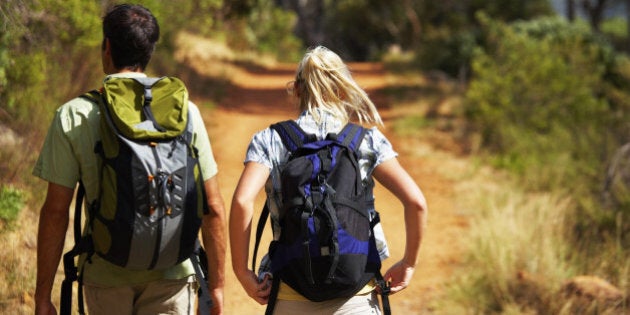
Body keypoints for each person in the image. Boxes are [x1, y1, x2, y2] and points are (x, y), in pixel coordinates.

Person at [32, 4, 226, 315]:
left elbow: (56, 211)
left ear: (106, 47)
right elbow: (213, 208)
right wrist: (216, 286)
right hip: (173, 275)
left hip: (105, 275)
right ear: (149, 51)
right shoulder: (186, 114)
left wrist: (43, 297)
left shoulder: (74, 115)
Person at [229, 46, 427, 314]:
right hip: (356, 294)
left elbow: (242, 201)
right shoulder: (366, 141)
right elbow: (416, 202)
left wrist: (242, 272)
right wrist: (409, 263)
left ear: (296, 90)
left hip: (291, 292)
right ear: (343, 91)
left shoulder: (270, 139)